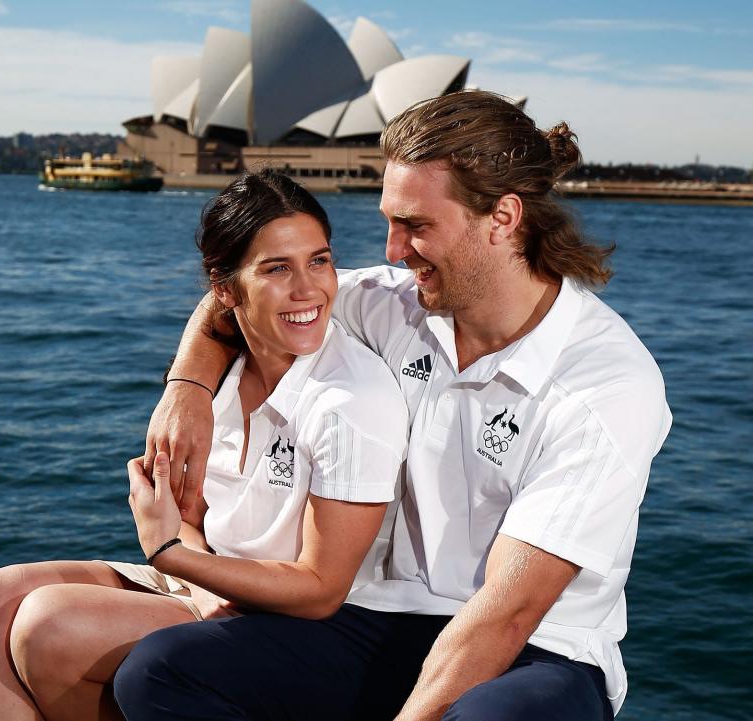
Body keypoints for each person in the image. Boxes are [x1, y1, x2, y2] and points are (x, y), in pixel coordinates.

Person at [115, 90, 672, 721]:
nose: (391, 250)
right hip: (382, 618)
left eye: (416, 226)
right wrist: (185, 390)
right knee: (159, 672)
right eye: (389, 221)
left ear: (504, 218)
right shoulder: (392, 302)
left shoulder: (606, 385)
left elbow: (508, 613)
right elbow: (241, 296)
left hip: (539, 650)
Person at [0, 170, 408, 721]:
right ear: (224, 291)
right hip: (207, 578)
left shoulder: (350, 401)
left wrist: (173, 554)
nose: (309, 289)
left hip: (287, 619)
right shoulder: (217, 374)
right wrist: (187, 552)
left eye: (319, 260)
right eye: (277, 269)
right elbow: (188, 514)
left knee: (51, 624)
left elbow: (320, 590)